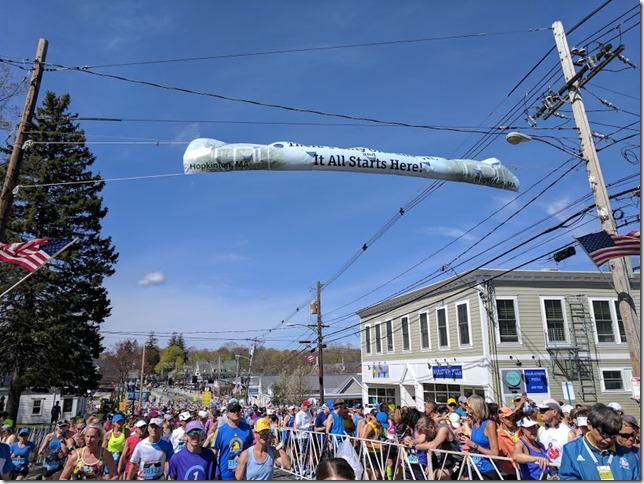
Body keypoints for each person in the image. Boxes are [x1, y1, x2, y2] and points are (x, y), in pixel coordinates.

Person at [558, 403, 640, 480]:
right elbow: (567, 477)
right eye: (604, 433)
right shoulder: (572, 450)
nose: (608, 440)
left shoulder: (627, 454)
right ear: (589, 425)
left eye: (613, 435)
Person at [459, 394, 500, 480]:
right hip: (475, 468)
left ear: (474, 408)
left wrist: (473, 445)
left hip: (488, 470)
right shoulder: (474, 423)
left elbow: (495, 453)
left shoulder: (489, 424)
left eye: (468, 406)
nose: (466, 408)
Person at [212, 400, 254, 480]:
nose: (236, 412)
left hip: (244, 473)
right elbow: (214, 451)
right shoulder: (220, 431)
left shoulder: (247, 428)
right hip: (225, 473)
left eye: (238, 410)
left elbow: (251, 448)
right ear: (227, 413)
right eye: (233, 411)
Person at [127, 415, 174, 480]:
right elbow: (132, 466)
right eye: (152, 427)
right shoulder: (141, 445)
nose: (154, 429)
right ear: (148, 428)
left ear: (161, 429)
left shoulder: (167, 443)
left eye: (157, 427)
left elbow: (170, 463)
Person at [536, 399, 572, 470]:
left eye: (544, 410)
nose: (540, 413)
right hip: (545, 472)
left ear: (554, 412)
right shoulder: (540, 430)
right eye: (540, 410)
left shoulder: (568, 433)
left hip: (563, 473)